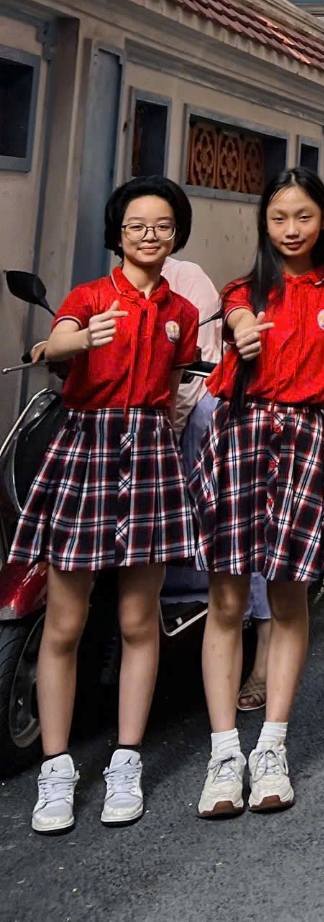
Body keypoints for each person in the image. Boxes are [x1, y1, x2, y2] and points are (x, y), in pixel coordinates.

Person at [19, 177, 201, 834]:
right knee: (64, 624)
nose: (148, 235)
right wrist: (73, 341)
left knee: (137, 620)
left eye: (160, 225)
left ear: (175, 233)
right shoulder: (89, 297)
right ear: (116, 233)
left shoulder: (182, 311)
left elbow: (181, 376)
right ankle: (57, 769)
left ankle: (127, 759)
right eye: (135, 226)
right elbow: (58, 345)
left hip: (150, 451)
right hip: (86, 446)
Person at [191, 167, 324, 818]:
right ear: (265, 222)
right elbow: (236, 315)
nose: (291, 229)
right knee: (226, 596)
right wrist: (242, 329)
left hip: (305, 440)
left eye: (304, 217)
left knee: (288, 598)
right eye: (279, 218)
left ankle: (273, 748)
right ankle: (223, 751)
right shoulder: (243, 290)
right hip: (242, 437)